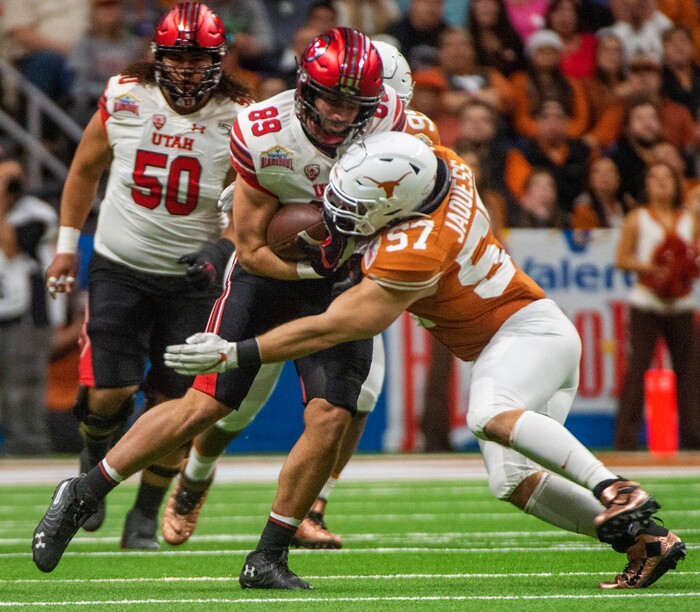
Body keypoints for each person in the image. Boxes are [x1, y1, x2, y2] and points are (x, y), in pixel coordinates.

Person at [163, 131, 687, 590]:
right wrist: (264, 181)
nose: (341, 214)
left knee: (488, 412)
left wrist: (237, 352)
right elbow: (397, 134)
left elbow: (333, 325)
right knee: (511, 480)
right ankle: (647, 540)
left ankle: (614, 487)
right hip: (522, 339)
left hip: (526, 334)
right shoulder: (442, 166)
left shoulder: (416, 248)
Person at [32, 26, 406, 588]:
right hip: (269, 278)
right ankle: (83, 492)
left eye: (353, 103)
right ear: (306, 89)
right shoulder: (263, 130)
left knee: (333, 413)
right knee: (204, 405)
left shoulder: (391, 124)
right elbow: (252, 250)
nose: (339, 113)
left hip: (341, 281)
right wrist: (318, 264)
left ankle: (268, 557)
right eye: (330, 98)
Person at [160, 39, 441, 552]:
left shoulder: (405, 135)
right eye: (344, 101)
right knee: (236, 407)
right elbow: (250, 226)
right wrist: (234, 247)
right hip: (283, 274)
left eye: (369, 105)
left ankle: (313, 505)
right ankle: (196, 474)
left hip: (351, 279)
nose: (354, 118)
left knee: (356, 398)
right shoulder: (278, 133)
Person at [42, 2, 249, 549]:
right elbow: (84, 169)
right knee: (109, 391)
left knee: (177, 407)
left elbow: (250, 209)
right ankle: (93, 460)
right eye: (177, 56)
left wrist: (221, 249)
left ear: (218, 59)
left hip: (194, 281)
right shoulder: (126, 97)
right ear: (157, 55)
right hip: (121, 267)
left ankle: (144, 515)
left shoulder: (242, 118)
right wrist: (66, 247)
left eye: (197, 57)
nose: (186, 67)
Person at [614, 161, 700, 450]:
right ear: (647, 185)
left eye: (667, 177)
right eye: (655, 177)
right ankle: (626, 441)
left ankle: (693, 437)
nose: (661, 182)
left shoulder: (689, 218)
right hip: (646, 302)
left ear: (677, 184)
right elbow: (622, 259)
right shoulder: (638, 218)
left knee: (690, 372)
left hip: (682, 303)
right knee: (637, 369)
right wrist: (652, 269)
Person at [0, 159, 56, 455]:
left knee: (23, 381)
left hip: (27, 312)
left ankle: (30, 444)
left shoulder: (37, 212)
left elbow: (12, 249)